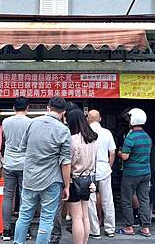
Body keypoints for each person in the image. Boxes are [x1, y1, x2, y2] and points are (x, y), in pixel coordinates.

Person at [13, 96, 71, 244]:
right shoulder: (64, 130)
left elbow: (23, 148)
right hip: (52, 180)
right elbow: (65, 162)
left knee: (24, 215)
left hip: (30, 178)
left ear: (48, 108)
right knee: (46, 218)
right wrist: (67, 185)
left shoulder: (32, 123)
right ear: (63, 112)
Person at [117, 108, 152, 238]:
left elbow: (125, 156)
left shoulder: (131, 137)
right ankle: (146, 228)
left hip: (131, 173)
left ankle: (129, 227)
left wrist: (119, 153)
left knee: (126, 200)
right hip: (145, 173)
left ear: (132, 120)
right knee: (144, 200)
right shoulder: (147, 136)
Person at [1, 97, 32, 241]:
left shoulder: (5, 122)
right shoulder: (31, 123)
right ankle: (24, 230)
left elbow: (4, 140)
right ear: (27, 108)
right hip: (25, 163)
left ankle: (6, 230)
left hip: (8, 163)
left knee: (8, 196)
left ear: (14, 108)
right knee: (24, 196)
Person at [67, 109, 99, 244]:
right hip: (89, 179)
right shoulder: (93, 137)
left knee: (76, 217)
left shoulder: (73, 139)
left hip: (75, 179)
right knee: (85, 214)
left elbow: (70, 161)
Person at [50, 101, 80, 244]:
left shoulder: (59, 129)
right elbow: (67, 161)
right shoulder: (87, 136)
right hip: (70, 174)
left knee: (50, 206)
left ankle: (53, 235)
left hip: (51, 173)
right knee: (81, 213)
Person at [87, 109, 116, 239]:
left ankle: (95, 230)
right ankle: (110, 229)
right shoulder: (107, 132)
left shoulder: (84, 132)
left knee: (90, 201)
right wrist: (108, 166)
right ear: (100, 119)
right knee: (107, 200)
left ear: (88, 119)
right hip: (104, 169)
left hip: (89, 170)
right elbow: (113, 152)